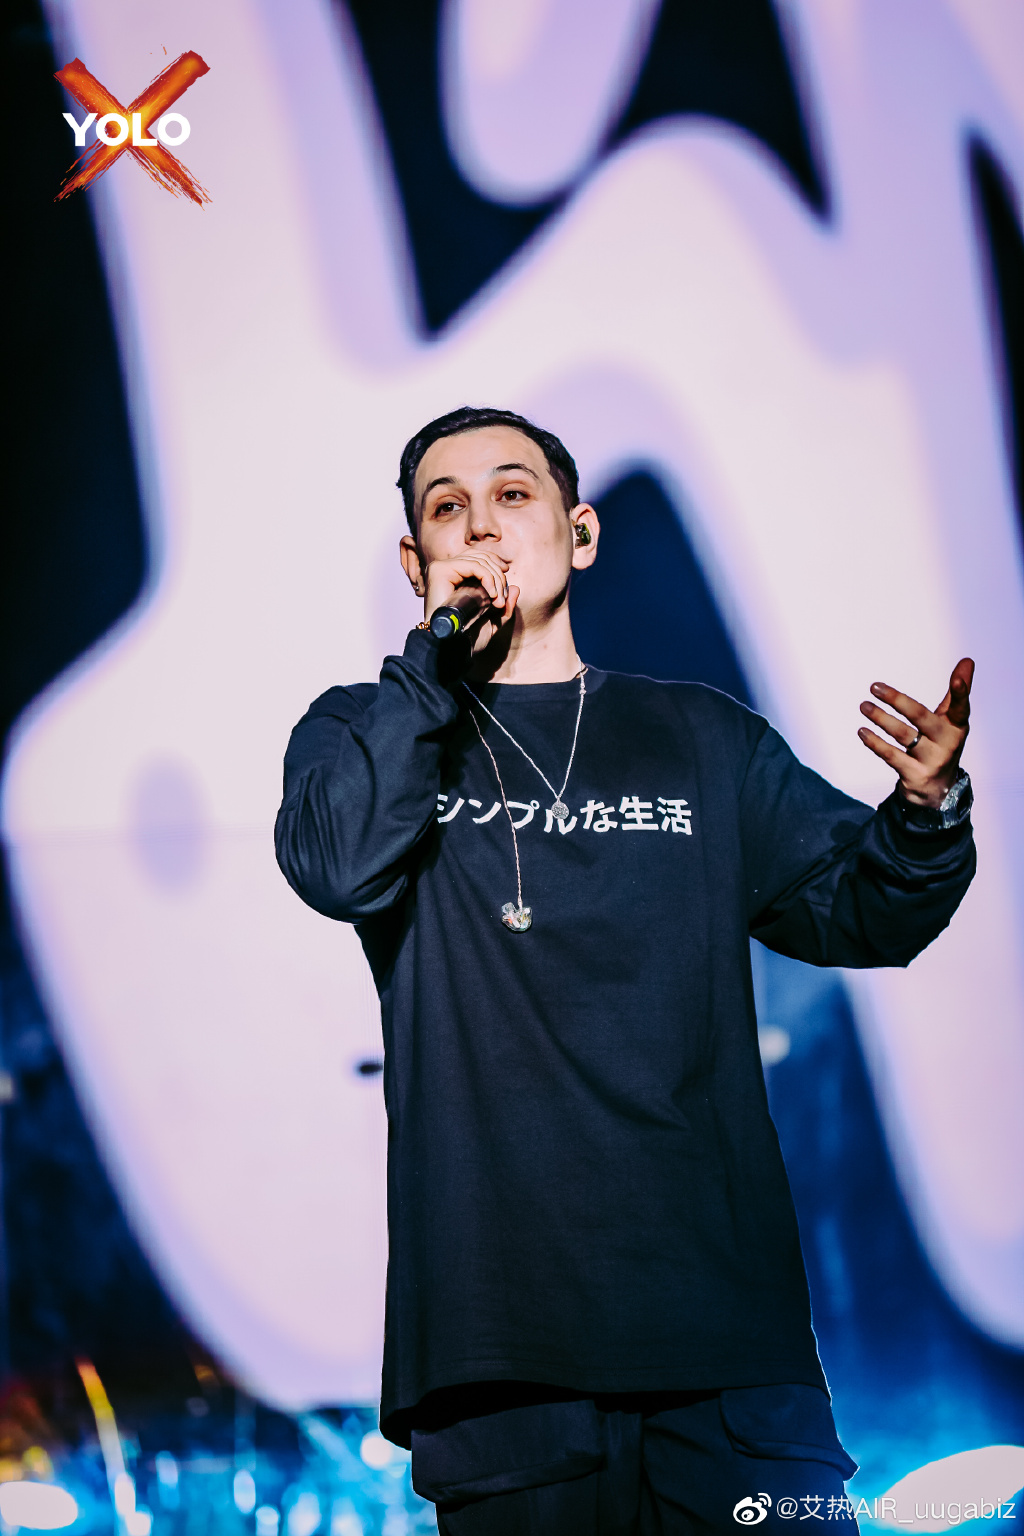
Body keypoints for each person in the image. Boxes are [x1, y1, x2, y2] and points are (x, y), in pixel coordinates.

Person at [275, 406, 975, 1534]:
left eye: (513, 495)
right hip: (505, 1354)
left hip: (728, 1341)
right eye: (448, 509)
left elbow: (864, 911)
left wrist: (927, 810)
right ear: (415, 561)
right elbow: (335, 865)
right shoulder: (366, 731)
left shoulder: (699, 736)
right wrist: (429, 672)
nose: (482, 527)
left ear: (581, 533)